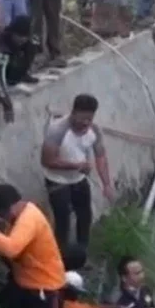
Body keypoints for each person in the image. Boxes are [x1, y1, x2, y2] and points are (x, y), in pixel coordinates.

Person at [41, 94, 115, 248]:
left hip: (79, 179)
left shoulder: (94, 130)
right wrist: (76, 166)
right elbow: (47, 161)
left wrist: (106, 184)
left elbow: (100, 157)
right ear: (73, 112)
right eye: (82, 119)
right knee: (63, 222)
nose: (86, 123)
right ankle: (61, 259)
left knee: (85, 216)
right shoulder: (57, 130)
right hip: (57, 182)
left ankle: (82, 252)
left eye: (90, 119)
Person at [0, 15, 39, 124]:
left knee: (33, 44)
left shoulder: (28, 42)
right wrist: (7, 104)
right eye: (19, 36)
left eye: (25, 37)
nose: (23, 39)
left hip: (10, 75)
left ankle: (20, 76)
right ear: (12, 33)